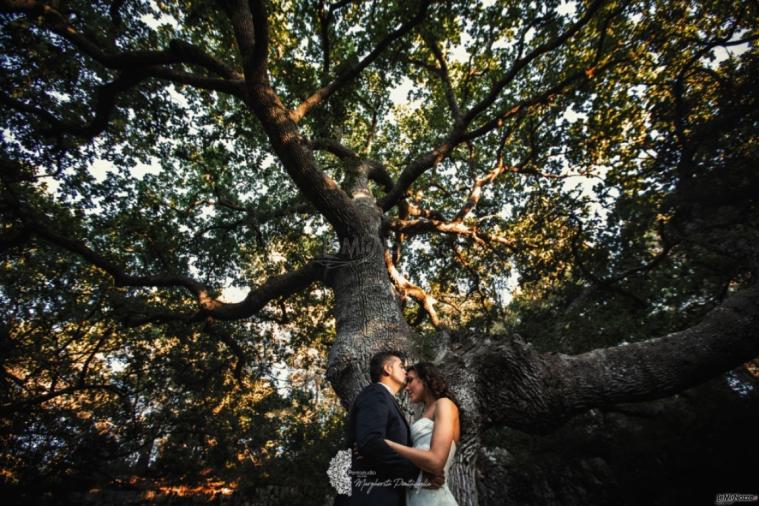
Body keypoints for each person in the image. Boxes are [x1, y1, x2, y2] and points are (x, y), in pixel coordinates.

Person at [346, 351, 443, 506]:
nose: (405, 371)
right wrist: (418, 476)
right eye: (401, 366)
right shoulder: (376, 393)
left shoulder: (386, 399)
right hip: (371, 497)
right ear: (388, 369)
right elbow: (370, 442)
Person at [384, 362, 460, 506]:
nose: (406, 387)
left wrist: (385, 443)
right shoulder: (423, 414)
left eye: (410, 380)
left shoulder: (444, 404)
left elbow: (436, 461)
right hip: (415, 494)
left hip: (434, 497)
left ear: (425, 379)